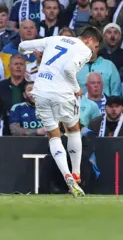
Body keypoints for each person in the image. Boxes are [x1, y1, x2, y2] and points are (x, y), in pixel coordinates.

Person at [17, 26, 103, 197]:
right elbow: (69, 69)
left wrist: (28, 58)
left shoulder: (53, 39)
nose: (93, 51)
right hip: (62, 93)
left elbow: (22, 46)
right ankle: (76, 173)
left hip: (40, 91)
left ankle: (66, 175)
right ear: (90, 40)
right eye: (95, 46)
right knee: (73, 131)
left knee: (54, 135)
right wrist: (76, 87)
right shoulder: (83, 49)